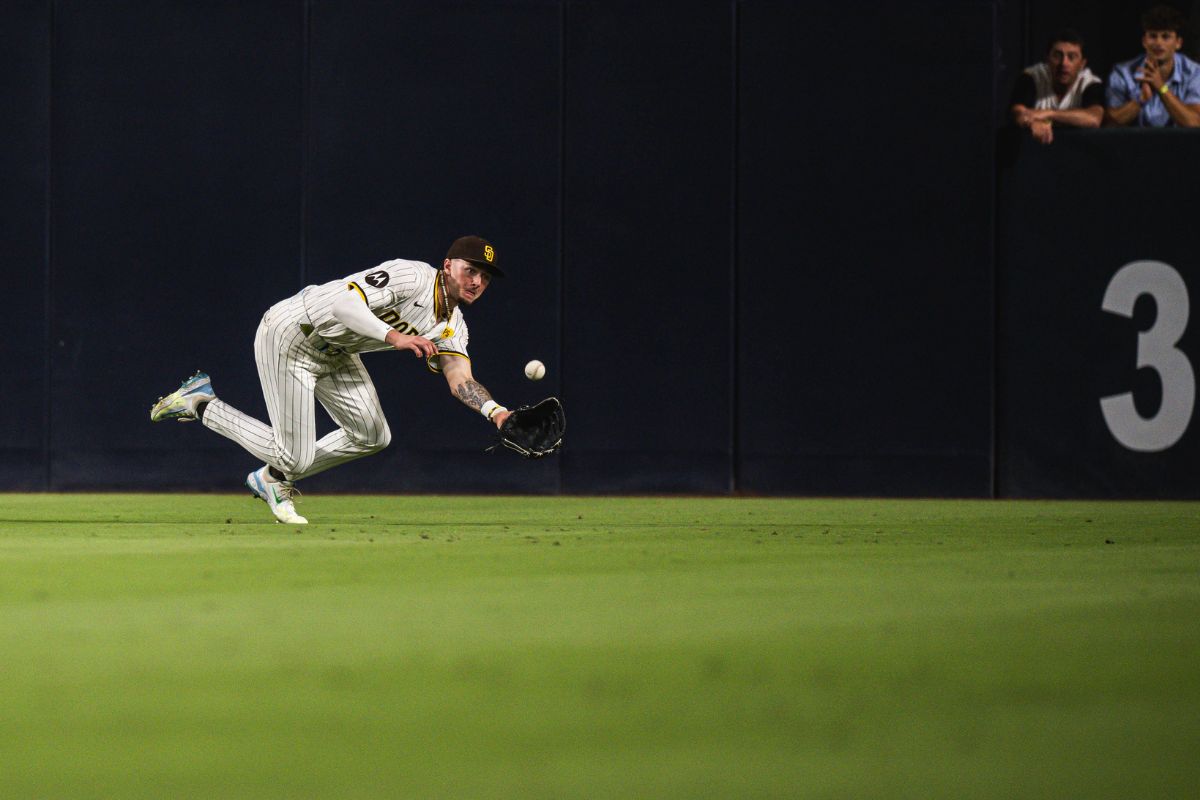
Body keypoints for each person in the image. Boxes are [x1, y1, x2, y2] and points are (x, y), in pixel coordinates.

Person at [150, 235, 513, 524]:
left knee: (373, 435)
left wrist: (497, 413)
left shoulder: (452, 326)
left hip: (337, 353)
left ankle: (273, 476)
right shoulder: (413, 276)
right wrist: (396, 337)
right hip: (293, 333)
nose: (478, 281)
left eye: (485, 277)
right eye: (471, 271)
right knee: (295, 457)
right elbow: (343, 306)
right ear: (448, 266)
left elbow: (459, 378)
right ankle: (200, 403)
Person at [1105, 4, 1200, 127]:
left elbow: (1195, 123)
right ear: (1144, 41)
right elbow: (1109, 124)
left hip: (1180, 145)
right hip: (1134, 144)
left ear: (1178, 43)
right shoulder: (1122, 72)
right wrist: (1140, 100)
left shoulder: (1195, 72)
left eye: (1166, 36)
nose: (1158, 43)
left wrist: (1161, 87)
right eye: (1153, 36)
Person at [1010, 30, 1105, 144]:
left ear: (1082, 64)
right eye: (1057, 56)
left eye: (1072, 57)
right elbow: (1018, 113)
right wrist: (1031, 122)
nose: (1064, 63)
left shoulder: (1090, 83)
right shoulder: (1032, 77)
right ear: (1047, 59)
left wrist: (1049, 114)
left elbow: (1094, 119)